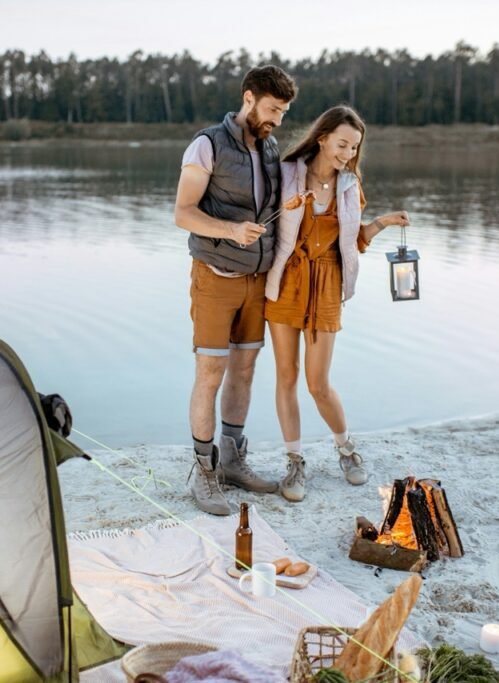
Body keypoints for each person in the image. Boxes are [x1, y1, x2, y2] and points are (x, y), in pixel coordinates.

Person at [264, 105, 411, 502]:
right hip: (288, 279)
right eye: (342, 144)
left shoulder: (349, 184)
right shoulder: (288, 172)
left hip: (328, 283)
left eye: (354, 147)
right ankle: (294, 461)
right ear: (323, 136)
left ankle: (346, 449)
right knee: (286, 376)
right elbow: (266, 219)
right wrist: (289, 208)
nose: (348, 153)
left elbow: (354, 240)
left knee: (318, 383)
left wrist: (382, 222)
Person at [174, 65, 298, 515]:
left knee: (244, 372)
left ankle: (231, 464)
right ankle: (203, 472)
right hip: (214, 278)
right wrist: (229, 230)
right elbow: (183, 213)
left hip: (258, 281)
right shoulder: (206, 144)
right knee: (211, 374)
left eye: (283, 112)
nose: (277, 120)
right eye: (272, 109)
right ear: (249, 98)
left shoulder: (270, 147)